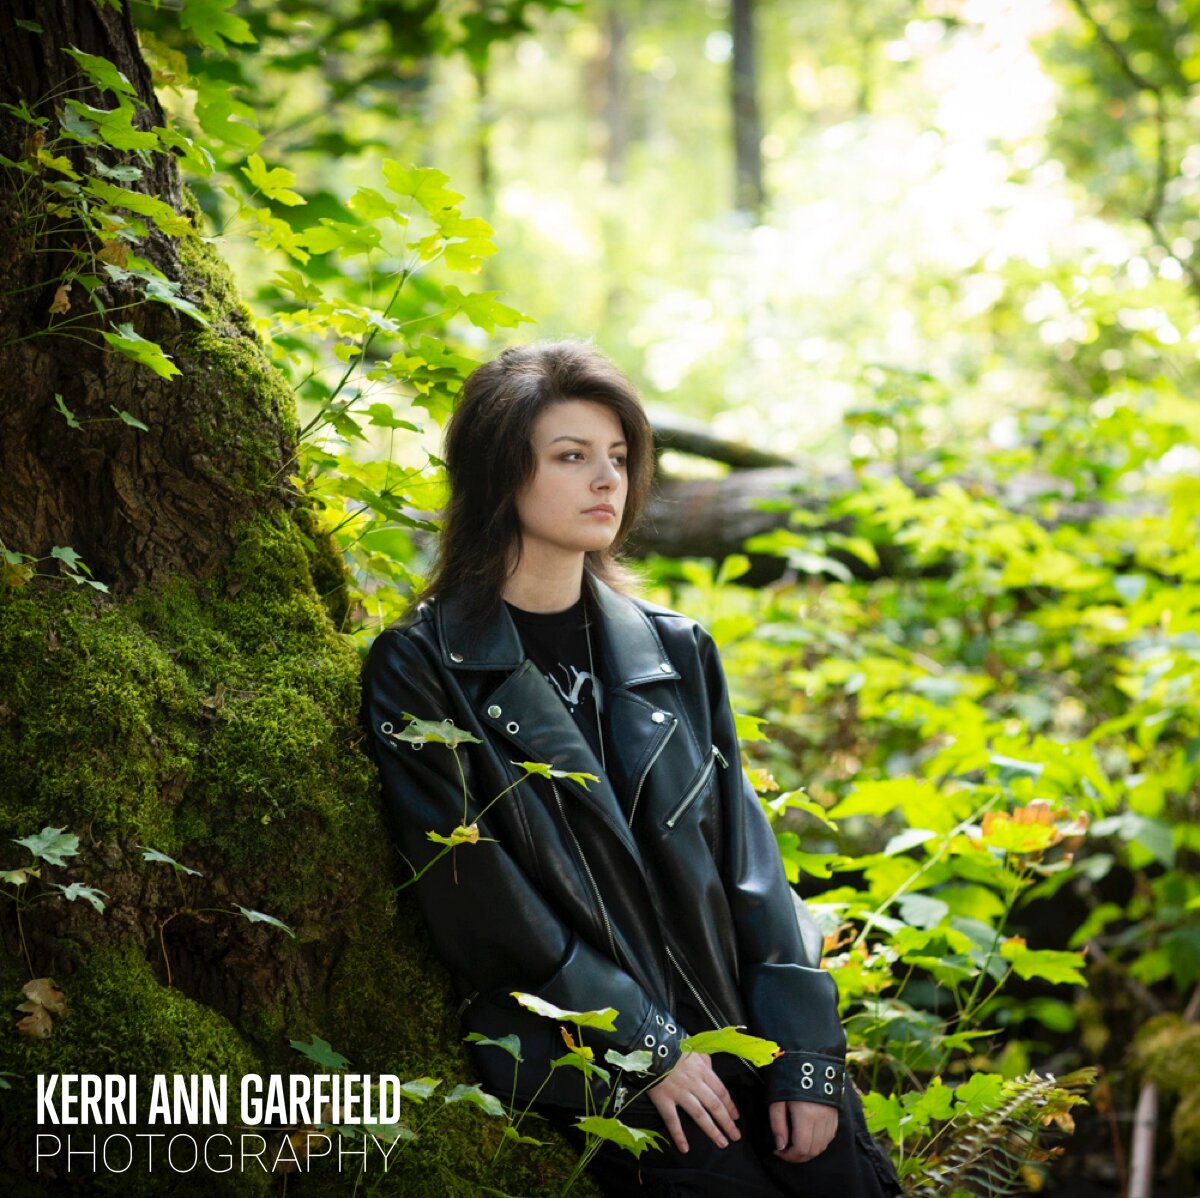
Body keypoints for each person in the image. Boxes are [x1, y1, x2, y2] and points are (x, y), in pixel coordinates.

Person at [360, 341, 900, 1196]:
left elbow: (752, 870)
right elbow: (481, 901)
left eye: (616, 458)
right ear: (500, 473)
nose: (606, 481)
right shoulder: (422, 667)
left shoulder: (677, 651)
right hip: (589, 1051)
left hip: (745, 1033)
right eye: (571, 458)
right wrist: (647, 1046)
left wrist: (806, 1055)